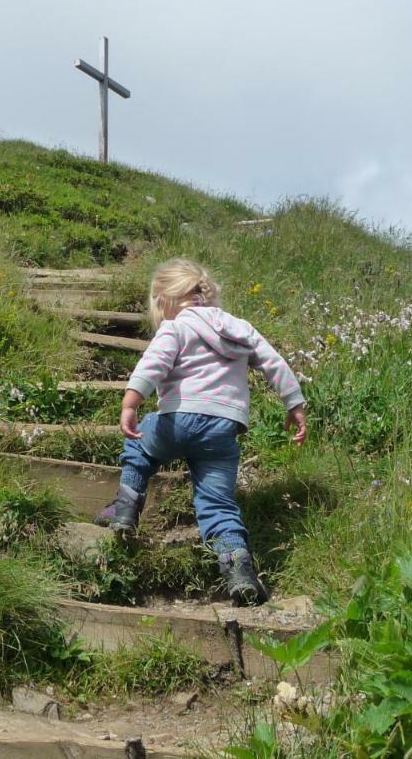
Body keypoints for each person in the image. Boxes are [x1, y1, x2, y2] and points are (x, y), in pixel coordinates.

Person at [94, 258, 308, 605]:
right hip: (224, 428)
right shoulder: (239, 327)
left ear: (164, 300)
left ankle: (125, 511)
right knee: (218, 504)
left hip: (179, 419)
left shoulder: (176, 326)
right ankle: (238, 568)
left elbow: (154, 363)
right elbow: (273, 361)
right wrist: (293, 404)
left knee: (141, 443)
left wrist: (131, 403)